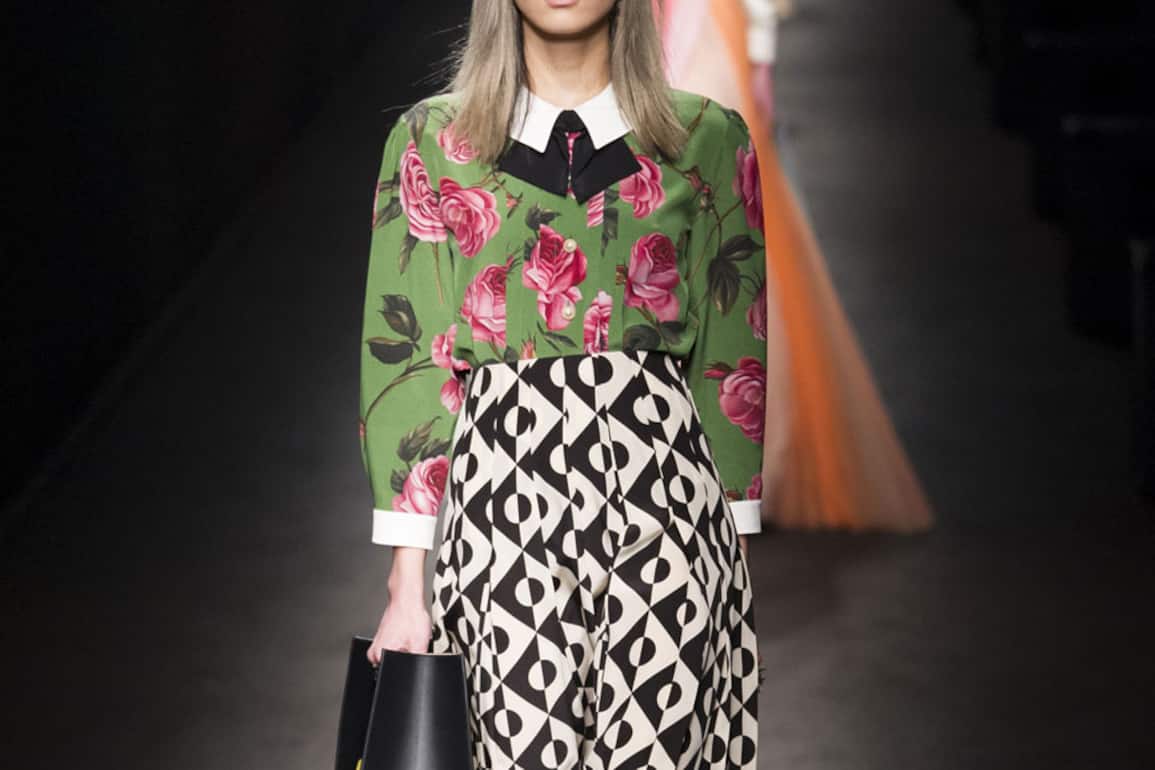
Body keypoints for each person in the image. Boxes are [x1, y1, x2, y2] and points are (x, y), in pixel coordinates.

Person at [358, 1, 764, 768]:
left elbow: (733, 351)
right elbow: (410, 362)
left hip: (667, 513)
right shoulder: (433, 140)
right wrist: (406, 586)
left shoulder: (706, 139)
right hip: (500, 515)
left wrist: (736, 574)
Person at [655, 0, 935, 532]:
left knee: (715, 217)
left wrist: (760, 49)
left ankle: (738, 453)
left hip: (701, 21)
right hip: (637, 26)